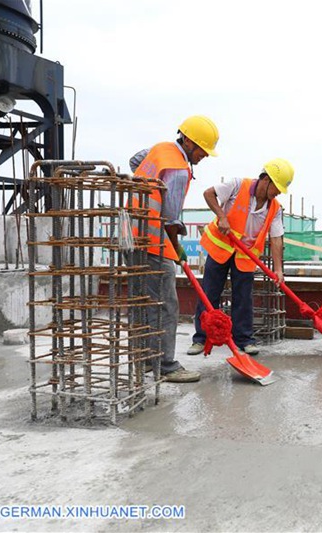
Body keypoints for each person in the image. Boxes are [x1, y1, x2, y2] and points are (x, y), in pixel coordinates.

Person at [128, 115, 220, 383]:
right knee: (166, 305)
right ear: (188, 141)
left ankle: (143, 359)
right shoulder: (179, 170)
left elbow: (136, 161)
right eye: (203, 149)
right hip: (154, 243)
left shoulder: (159, 151)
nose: (204, 155)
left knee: (140, 303)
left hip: (131, 237)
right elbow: (171, 219)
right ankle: (166, 365)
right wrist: (177, 247)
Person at [187, 159, 294, 356]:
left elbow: (277, 238)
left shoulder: (275, 208)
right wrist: (223, 216)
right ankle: (201, 338)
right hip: (221, 248)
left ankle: (244, 339)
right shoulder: (237, 185)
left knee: (243, 299)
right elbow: (208, 193)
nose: (278, 192)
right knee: (209, 294)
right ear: (265, 179)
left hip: (244, 255)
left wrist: (278, 270)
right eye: (277, 187)